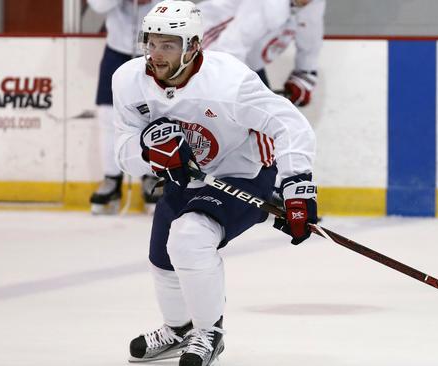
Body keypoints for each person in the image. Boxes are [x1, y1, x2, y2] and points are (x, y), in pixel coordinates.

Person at [111, 1, 317, 365]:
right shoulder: (129, 81)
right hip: (187, 179)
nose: (155, 54)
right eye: (151, 43)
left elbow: (289, 124)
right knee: (162, 257)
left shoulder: (229, 80)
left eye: (168, 45)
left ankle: (209, 331)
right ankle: (177, 330)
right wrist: (149, 153)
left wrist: (297, 185)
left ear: (192, 46)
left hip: (244, 171)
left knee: (189, 238)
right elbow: (121, 148)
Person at [87, 0, 164, 215]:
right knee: (107, 113)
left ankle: (151, 177)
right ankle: (111, 179)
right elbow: (98, 6)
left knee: (154, 115)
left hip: (157, 49)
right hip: (117, 49)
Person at [196, 0, 326, 107]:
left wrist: (304, 74)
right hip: (202, 53)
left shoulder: (314, 5)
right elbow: (229, 47)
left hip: (244, 64)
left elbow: (310, 42)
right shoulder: (266, 4)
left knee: (268, 114)